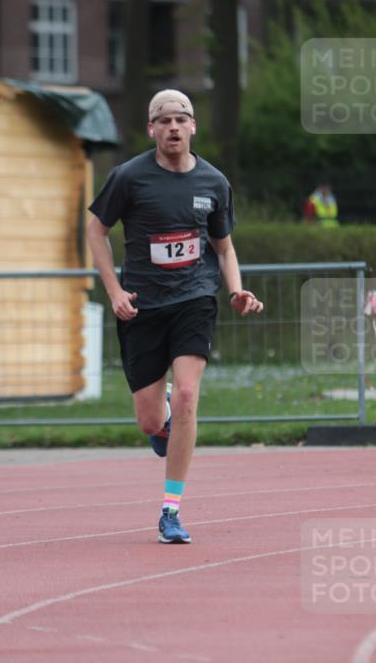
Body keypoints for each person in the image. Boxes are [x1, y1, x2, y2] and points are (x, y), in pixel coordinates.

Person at [86, 88, 263, 544]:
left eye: (181, 119)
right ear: (151, 129)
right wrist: (114, 290)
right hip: (142, 305)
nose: (173, 128)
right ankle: (160, 408)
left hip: (194, 299)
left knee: (188, 396)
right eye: (163, 121)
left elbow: (224, 248)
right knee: (150, 421)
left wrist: (237, 289)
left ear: (192, 127)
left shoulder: (214, 183)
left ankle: (171, 511)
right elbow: (95, 229)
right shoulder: (128, 178)